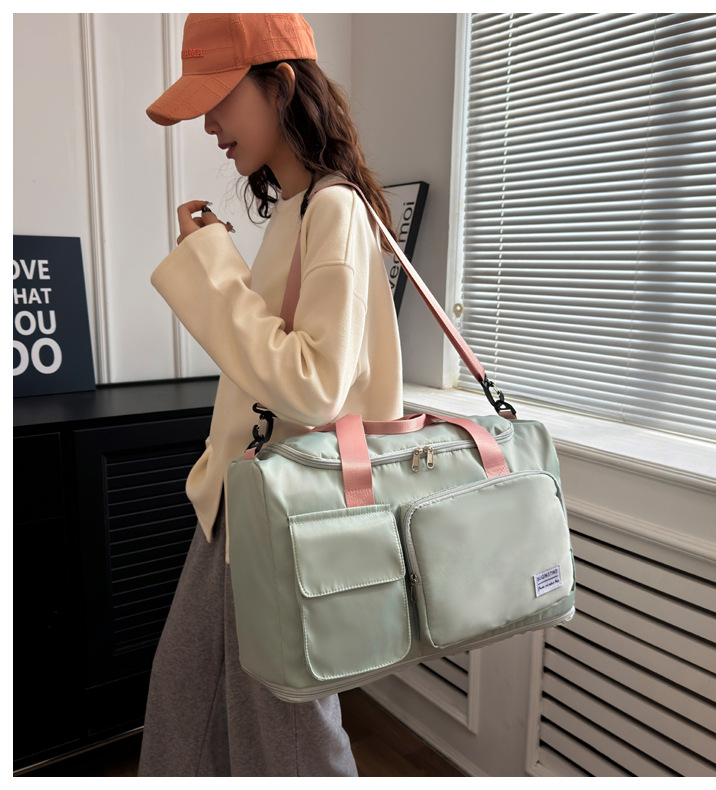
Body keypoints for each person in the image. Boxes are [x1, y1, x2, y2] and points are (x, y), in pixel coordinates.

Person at [137, 13, 403, 777]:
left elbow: (313, 386)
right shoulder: (298, 206)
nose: (208, 125)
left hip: (284, 519)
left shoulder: (334, 209)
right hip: (245, 503)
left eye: (220, 98)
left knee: (286, 742)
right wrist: (219, 258)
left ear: (281, 84)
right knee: (190, 709)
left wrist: (213, 264)